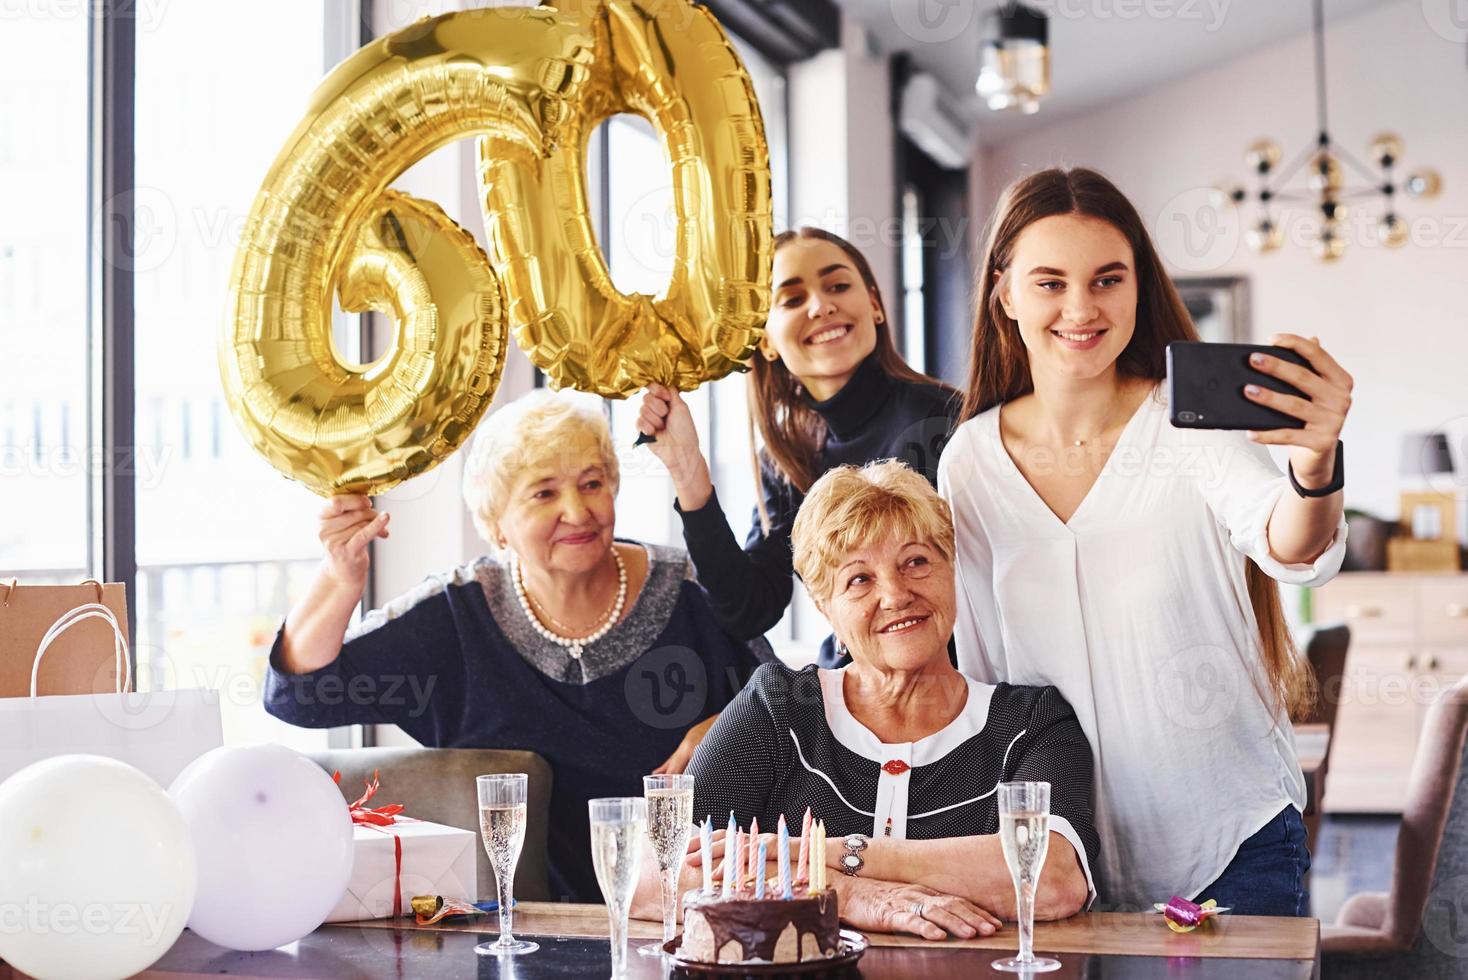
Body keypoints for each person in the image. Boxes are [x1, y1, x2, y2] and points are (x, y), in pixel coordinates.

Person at [939, 166, 1351, 915]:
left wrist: (1315, 461)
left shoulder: (1187, 426)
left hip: (1230, 841)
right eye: (1050, 282)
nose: (1080, 307)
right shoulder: (970, 461)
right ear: (1004, 293)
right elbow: (984, 671)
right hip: (1058, 857)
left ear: (1137, 286)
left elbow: (1289, 544)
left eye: (1106, 279)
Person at [263, 390, 772, 903]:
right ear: (496, 523)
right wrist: (341, 576)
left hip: (688, 917)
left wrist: (728, 725)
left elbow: (795, 710)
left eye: (592, 483)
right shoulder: (456, 616)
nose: (578, 511)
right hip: (515, 934)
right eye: (544, 494)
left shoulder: (689, 590)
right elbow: (300, 693)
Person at [630, 461, 1097, 939]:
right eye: (859, 579)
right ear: (823, 606)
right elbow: (652, 876)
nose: (895, 595)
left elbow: (1052, 880)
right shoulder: (778, 707)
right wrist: (841, 893)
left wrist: (830, 855)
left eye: (916, 562)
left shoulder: (1032, 722)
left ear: (950, 570)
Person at [637, 228, 960, 668]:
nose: (821, 305)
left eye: (838, 286)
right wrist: (687, 469)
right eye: (791, 299)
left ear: (875, 306)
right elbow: (748, 608)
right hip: (851, 693)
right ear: (765, 339)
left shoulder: (949, 419)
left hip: (954, 689)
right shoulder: (786, 455)